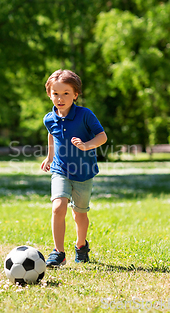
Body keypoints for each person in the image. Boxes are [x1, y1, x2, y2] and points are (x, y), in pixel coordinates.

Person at [40, 69, 107, 267]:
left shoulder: (85, 115)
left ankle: (81, 245)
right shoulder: (48, 118)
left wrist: (87, 145)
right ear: (49, 94)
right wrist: (50, 157)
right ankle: (58, 252)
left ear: (75, 94)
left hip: (84, 172)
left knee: (80, 213)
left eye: (66, 93)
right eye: (56, 94)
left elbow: (102, 137)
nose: (60, 98)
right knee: (58, 207)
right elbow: (52, 135)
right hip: (60, 170)